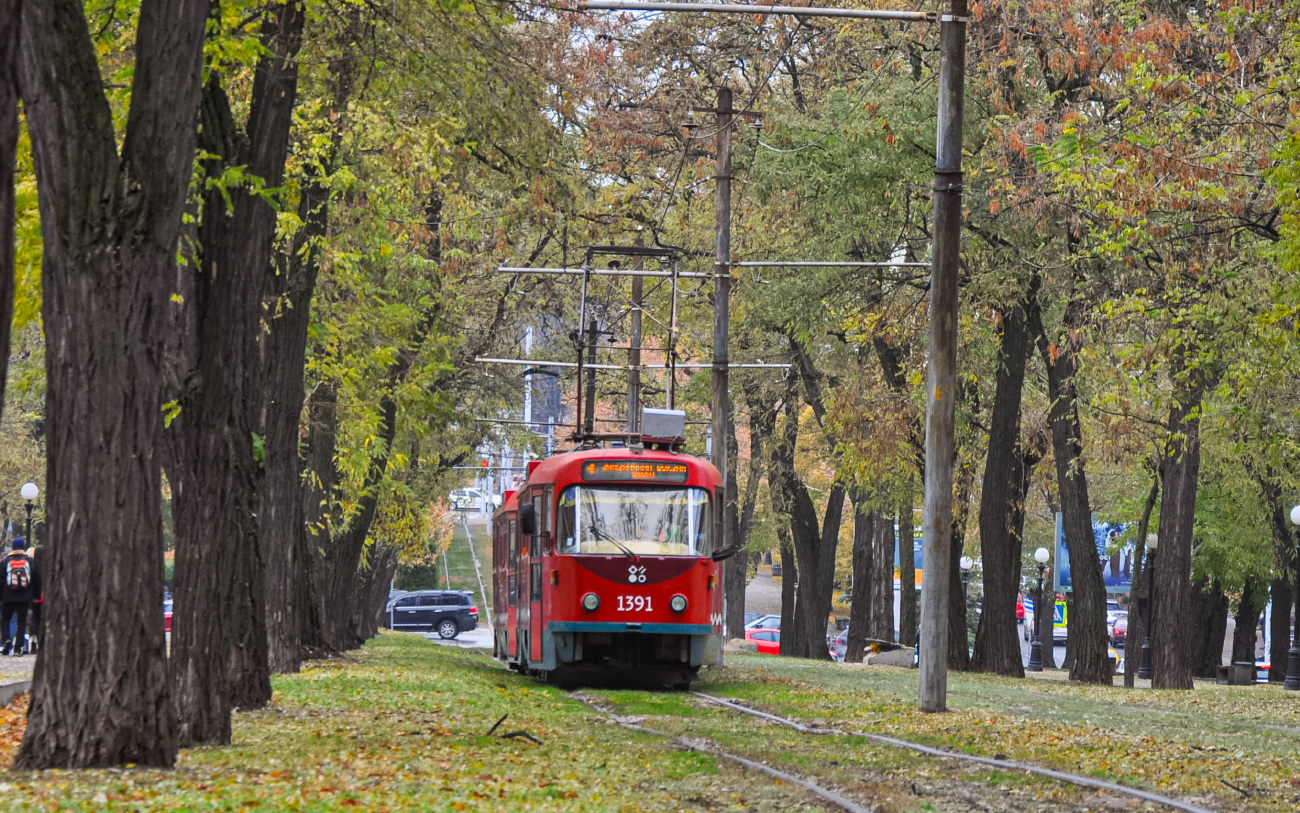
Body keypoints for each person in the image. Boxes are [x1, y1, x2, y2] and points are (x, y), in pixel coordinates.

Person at [1, 537, 39, 656]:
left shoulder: (5, 562)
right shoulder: (30, 561)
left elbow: (1, 581)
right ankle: (18, 648)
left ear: (12, 547)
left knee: (5, 620)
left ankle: (7, 640)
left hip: (8, 597)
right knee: (22, 622)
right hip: (24, 597)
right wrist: (36, 595)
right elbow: (36, 579)